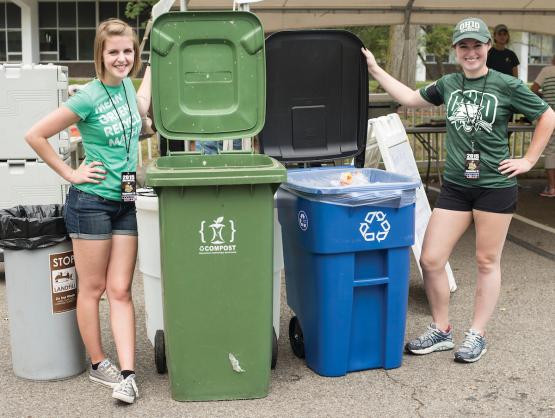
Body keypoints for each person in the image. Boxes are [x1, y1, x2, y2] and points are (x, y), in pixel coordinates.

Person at [362, 17, 555, 363]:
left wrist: (528, 160)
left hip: (494, 187)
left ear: (487, 47)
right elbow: (408, 96)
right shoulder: (449, 84)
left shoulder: (505, 85)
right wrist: (375, 69)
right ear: (456, 49)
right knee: (431, 258)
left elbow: (547, 115)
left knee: (486, 260)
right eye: (464, 46)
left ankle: (477, 334)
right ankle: (442, 330)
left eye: (477, 45)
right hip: (456, 186)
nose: (471, 52)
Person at [25, 19, 151, 403]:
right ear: (100, 54)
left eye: (127, 51)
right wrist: (71, 172)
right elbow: (35, 135)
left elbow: (143, 104)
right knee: (94, 289)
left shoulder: (129, 90)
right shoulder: (88, 97)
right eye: (113, 52)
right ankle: (99, 363)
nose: (121, 58)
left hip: (126, 198)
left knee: (121, 289)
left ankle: (128, 374)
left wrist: (159, 60)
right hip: (92, 201)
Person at [531, 55, 555, 197]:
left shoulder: (547, 71)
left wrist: (542, 94)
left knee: (551, 151)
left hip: (551, 115)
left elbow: (533, 89)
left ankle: (552, 188)